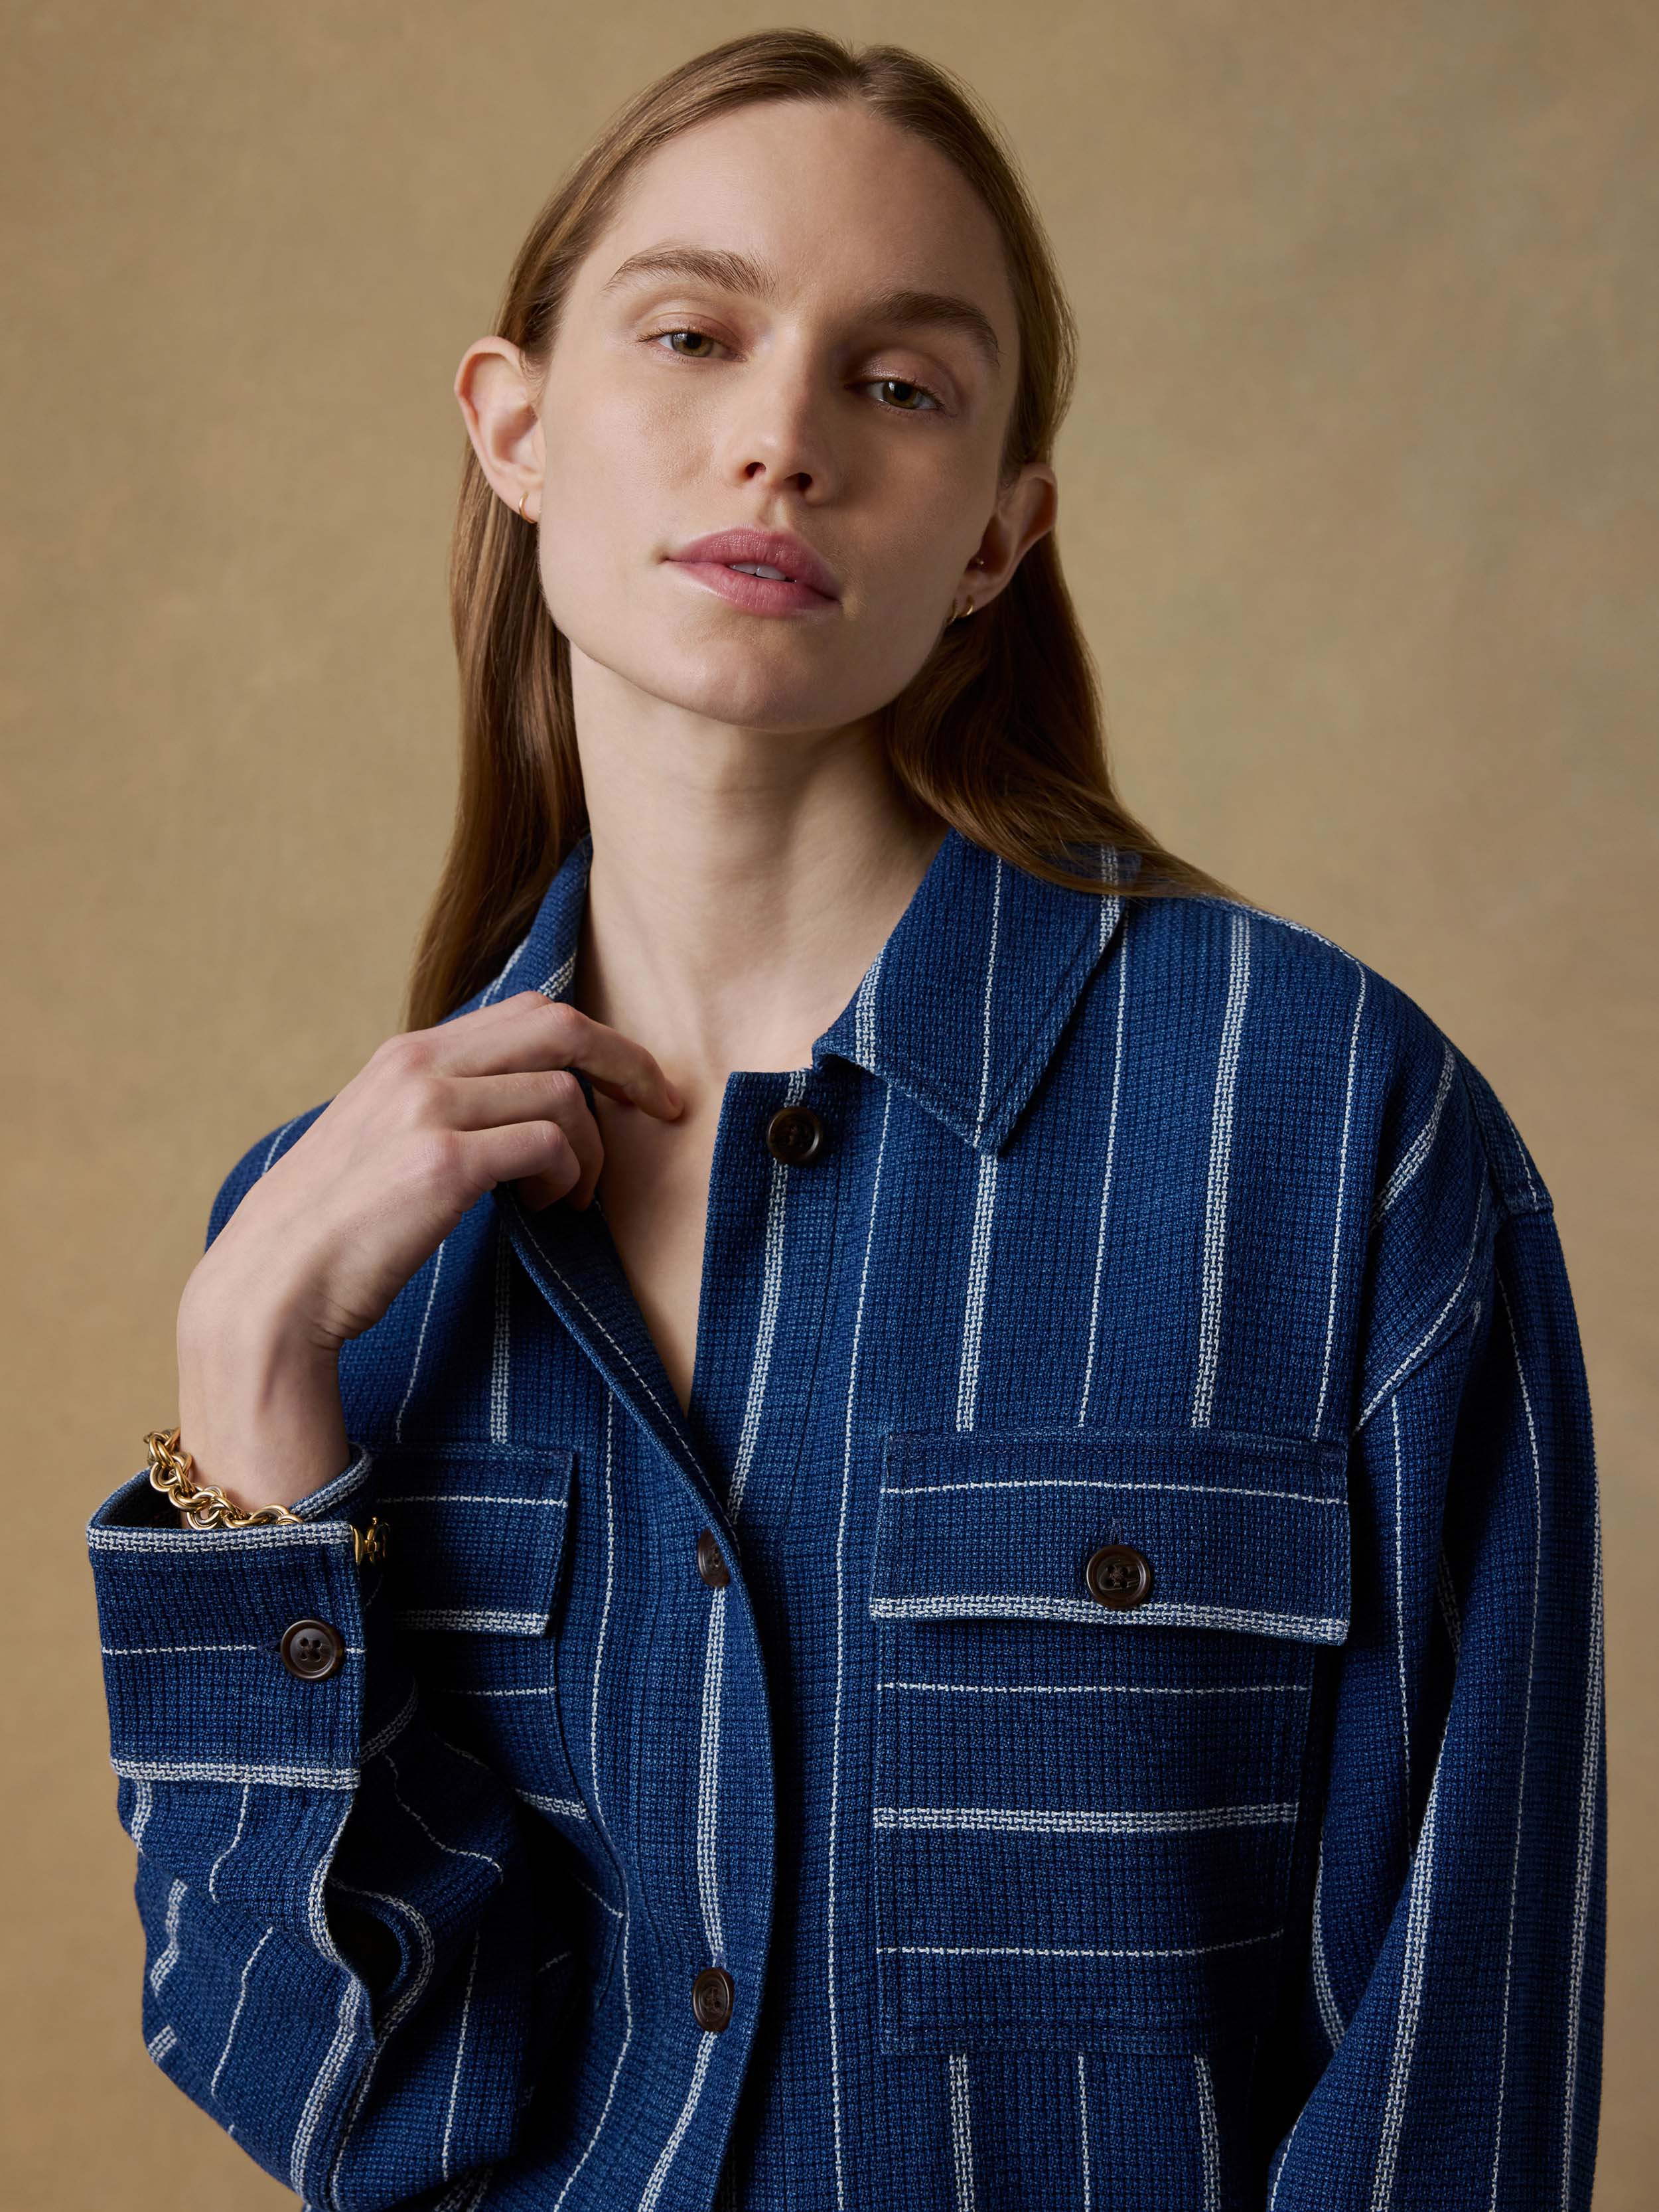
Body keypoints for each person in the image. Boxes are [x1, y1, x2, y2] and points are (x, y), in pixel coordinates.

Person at [86, 29, 1604, 2212]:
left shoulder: (1323, 1128)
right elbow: (325, 2089)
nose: (780, 439)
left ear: (999, 537)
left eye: (898, 386)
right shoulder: (323, 1247)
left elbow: (1457, 2081)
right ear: (512, 427)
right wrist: (239, 1408)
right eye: (693, 335)